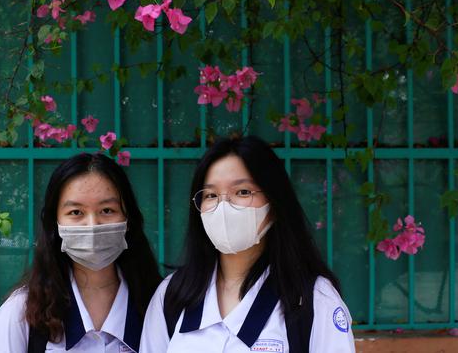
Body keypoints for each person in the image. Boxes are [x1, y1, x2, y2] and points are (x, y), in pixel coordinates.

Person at [140, 135, 355, 353]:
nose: (223, 206)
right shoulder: (172, 295)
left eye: (243, 192)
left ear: (274, 204)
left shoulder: (312, 299)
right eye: (211, 195)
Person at [0, 152, 162, 352]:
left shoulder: (160, 307)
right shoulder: (20, 314)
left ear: (128, 220)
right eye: (76, 212)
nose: (92, 225)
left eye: (107, 210)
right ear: (55, 224)